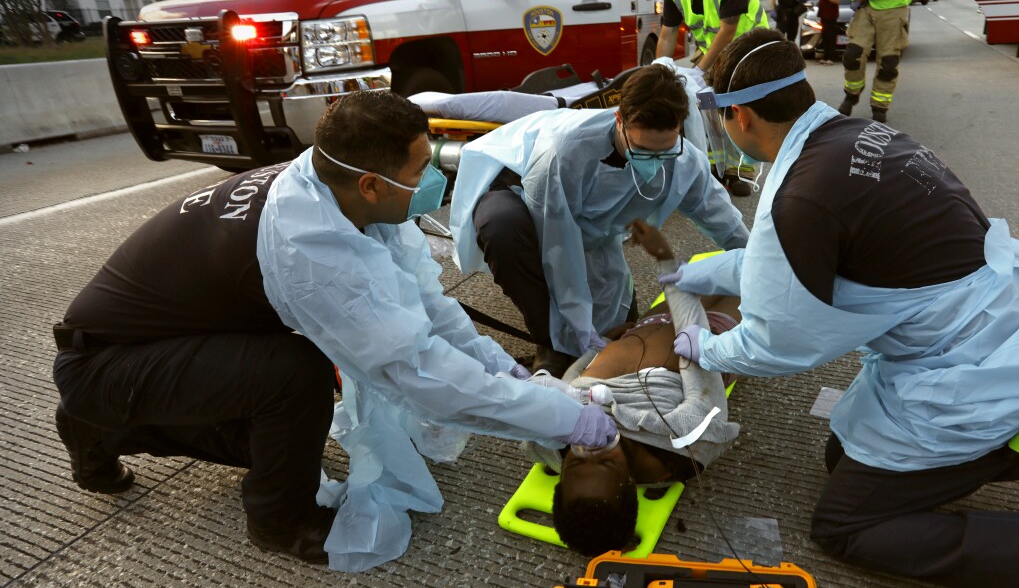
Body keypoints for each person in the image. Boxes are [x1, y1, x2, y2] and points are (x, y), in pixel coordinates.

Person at [666, 28, 1019, 587]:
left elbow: (778, 338)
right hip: (1000, 333)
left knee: (844, 523)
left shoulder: (801, 196)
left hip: (974, 373)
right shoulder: (851, 139)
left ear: (740, 116)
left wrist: (708, 347)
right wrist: (703, 269)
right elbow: (786, 265)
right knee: (844, 454)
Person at [51, 91, 616, 571]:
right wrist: (567, 417)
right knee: (294, 377)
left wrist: (501, 366)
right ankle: (279, 519)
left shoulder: (334, 186)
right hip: (107, 363)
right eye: (421, 170)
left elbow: (424, 304)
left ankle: (104, 431)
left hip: (155, 346)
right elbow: (417, 372)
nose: (431, 181)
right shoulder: (312, 248)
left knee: (276, 425)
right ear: (372, 184)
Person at [449, 65, 749, 381]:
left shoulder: (684, 160)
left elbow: (723, 220)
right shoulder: (567, 152)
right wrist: (578, 332)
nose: (656, 160)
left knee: (617, 319)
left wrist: (763, 269)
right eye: (644, 150)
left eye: (666, 150)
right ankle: (548, 344)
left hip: (586, 223)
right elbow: (558, 247)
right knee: (504, 229)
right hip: (520, 192)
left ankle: (573, 337)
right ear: (620, 120)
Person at [518, 220, 741, 556]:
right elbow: (699, 349)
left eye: (575, 465)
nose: (588, 451)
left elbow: (568, 384)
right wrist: (667, 260)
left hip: (649, 324)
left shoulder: (549, 443)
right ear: (631, 485)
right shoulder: (686, 442)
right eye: (607, 464)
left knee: (722, 264)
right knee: (757, 277)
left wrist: (601, 346)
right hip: (712, 333)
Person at [655, 0, 769, 196]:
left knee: (741, 108)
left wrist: (699, 70)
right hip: (714, 50)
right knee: (708, 108)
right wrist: (660, 70)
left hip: (750, 47)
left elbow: (729, 27)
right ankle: (716, 165)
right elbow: (667, 34)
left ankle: (741, 171)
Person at [839, 0, 913, 123]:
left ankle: (879, 107)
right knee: (853, 55)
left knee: (888, 62)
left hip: (892, 9)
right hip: (867, 7)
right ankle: (852, 94)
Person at [814, 0, 843, 65]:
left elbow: (837, 0)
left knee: (830, 36)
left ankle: (831, 57)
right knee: (825, 36)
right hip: (823, 14)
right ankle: (825, 57)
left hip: (831, 14)